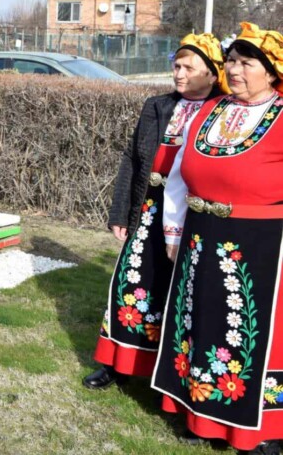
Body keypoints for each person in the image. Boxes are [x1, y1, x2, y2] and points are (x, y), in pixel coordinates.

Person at [152, 22, 283, 455]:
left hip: (262, 241)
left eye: (247, 63)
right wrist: (173, 229)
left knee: (252, 331)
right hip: (200, 234)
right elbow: (177, 175)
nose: (235, 70)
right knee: (202, 322)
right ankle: (201, 413)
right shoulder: (211, 110)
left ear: (272, 70)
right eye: (231, 61)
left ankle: (262, 428)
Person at [85, 33, 226, 390]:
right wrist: (121, 212)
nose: (178, 74)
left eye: (188, 68)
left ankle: (171, 374)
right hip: (150, 210)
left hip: (192, 215)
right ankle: (117, 363)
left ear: (212, 74)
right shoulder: (158, 106)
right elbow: (133, 159)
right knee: (134, 282)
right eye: (176, 66)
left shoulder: (223, 110)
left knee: (180, 292)